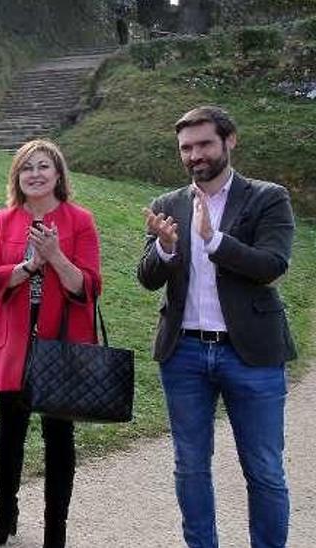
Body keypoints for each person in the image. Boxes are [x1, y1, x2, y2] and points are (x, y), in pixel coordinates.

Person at [139, 106, 295, 548]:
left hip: (252, 355)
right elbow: (147, 278)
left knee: (263, 468)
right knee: (190, 465)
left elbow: (272, 265)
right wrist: (166, 250)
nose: (194, 155)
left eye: (204, 143)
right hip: (184, 354)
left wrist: (213, 241)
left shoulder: (267, 197)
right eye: (186, 148)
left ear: (230, 141)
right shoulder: (167, 205)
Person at [0, 140, 101, 548]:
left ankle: (56, 526)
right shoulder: (1, 220)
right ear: (17, 176)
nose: (35, 174)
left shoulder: (80, 220)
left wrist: (55, 256)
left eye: (43, 166)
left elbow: (88, 286)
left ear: (58, 174)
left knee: (59, 440)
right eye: (26, 168)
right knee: (8, 436)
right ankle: (6, 508)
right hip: (14, 346)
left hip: (61, 347)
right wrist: (29, 265)